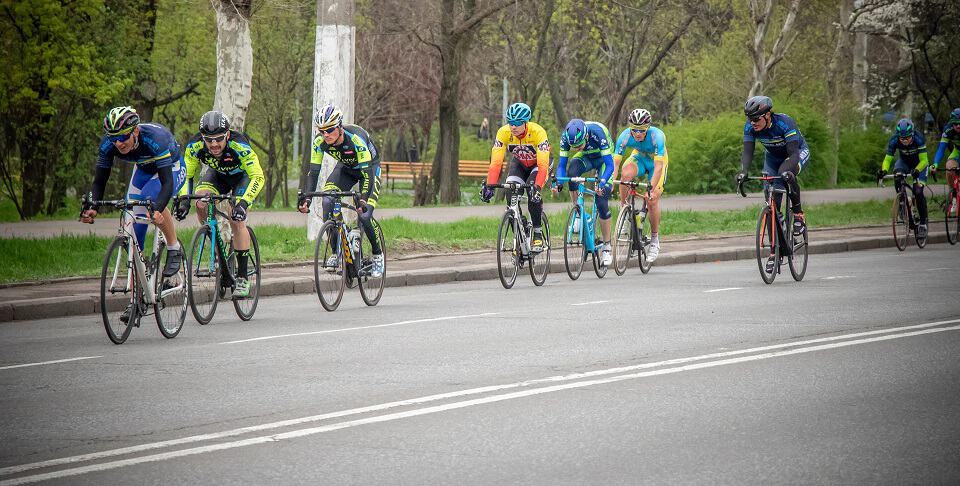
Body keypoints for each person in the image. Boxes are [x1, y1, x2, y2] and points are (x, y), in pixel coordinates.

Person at [80, 106, 186, 321]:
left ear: (135, 131)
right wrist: (93, 206)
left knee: (149, 199)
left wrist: (157, 209)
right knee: (133, 233)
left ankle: (173, 247)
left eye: (123, 137)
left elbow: (166, 184)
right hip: (144, 168)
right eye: (114, 138)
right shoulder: (109, 145)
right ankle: (136, 300)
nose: (119, 143)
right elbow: (99, 181)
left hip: (171, 168)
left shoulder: (156, 138)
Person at [176, 111, 265, 299]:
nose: (214, 144)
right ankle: (213, 236)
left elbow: (258, 176)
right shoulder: (195, 146)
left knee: (236, 218)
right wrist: (184, 199)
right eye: (209, 140)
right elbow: (187, 175)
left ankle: (242, 277)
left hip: (242, 178)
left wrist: (243, 203)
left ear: (227, 135)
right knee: (200, 202)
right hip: (217, 176)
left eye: (218, 139)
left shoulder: (239, 145)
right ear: (202, 137)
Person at [298, 104, 384, 278]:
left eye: (329, 130)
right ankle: (336, 251)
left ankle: (377, 254)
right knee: (328, 201)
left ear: (339, 127)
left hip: (369, 170)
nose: (325, 135)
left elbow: (366, 176)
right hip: (345, 169)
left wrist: (363, 199)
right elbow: (314, 172)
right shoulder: (319, 142)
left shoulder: (356, 139)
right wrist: (307, 197)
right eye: (321, 131)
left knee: (365, 215)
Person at [479, 102, 551, 252]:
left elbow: (543, 165)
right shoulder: (503, 132)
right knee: (510, 194)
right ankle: (520, 228)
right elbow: (496, 162)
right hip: (519, 164)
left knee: (533, 195)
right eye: (510, 122)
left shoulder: (538, 132)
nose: (513, 127)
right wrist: (490, 185)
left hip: (538, 164)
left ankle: (537, 232)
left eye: (517, 123)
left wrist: (537, 187)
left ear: (526, 122)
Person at [736, 96, 810, 238]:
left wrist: (787, 172)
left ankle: (798, 214)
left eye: (756, 119)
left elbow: (793, 154)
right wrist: (743, 172)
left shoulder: (784, 123)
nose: (753, 123)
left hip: (796, 153)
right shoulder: (750, 127)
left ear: (768, 115)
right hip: (773, 158)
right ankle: (773, 253)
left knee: (785, 173)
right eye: (750, 119)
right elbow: (747, 152)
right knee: (771, 201)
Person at [552, 118, 616, 267]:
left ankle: (607, 246)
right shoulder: (566, 137)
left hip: (603, 161)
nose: (577, 148)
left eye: (579, 145)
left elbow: (610, 165)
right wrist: (559, 183)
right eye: (574, 146)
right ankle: (579, 213)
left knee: (601, 200)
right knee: (572, 171)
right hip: (586, 158)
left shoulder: (598, 133)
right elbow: (562, 165)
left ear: (586, 136)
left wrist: (602, 182)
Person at [613, 108, 668, 262]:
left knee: (652, 199)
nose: (637, 134)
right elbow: (615, 163)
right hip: (639, 158)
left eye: (641, 130)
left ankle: (655, 240)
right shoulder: (624, 136)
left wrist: (650, 188)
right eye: (634, 130)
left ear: (648, 128)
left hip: (657, 164)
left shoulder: (657, 136)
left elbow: (658, 168)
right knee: (625, 175)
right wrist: (609, 181)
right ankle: (624, 211)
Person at [878, 118, 931, 238]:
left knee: (918, 191)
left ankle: (923, 224)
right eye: (902, 138)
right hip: (904, 162)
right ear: (898, 136)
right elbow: (888, 159)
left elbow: (924, 160)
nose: (905, 141)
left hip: (919, 165)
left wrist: (917, 170)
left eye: (907, 138)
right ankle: (902, 202)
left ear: (912, 134)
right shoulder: (894, 140)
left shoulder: (918, 138)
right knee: (897, 176)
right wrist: (884, 170)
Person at [930, 107, 960, 190]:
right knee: (949, 167)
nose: (958, 126)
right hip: (957, 152)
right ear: (951, 123)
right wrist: (935, 164)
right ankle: (952, 193)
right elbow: (941, 149)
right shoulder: (948, 130)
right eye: (955, 123)